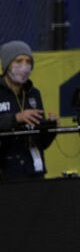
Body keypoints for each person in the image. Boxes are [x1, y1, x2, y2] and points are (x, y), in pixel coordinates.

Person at [0, 40, 59, 181]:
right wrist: (16, 118)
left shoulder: (34, 94)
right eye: (19, 61)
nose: (24, 66)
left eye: (28, 61)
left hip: (33, 170)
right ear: (7, 64)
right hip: (5, 172)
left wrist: (51, 128)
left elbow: (42, 143)